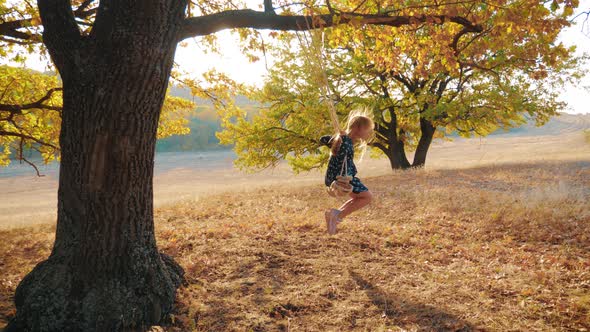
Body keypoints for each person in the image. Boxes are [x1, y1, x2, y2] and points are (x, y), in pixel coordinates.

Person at [319, 108, 375, 234]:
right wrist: (342, 139)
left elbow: (323, 139)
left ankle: (335, 215)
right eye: (367, 130)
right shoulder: (346, 142)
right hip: (343, 177)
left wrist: (337, 137)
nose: (368, 133)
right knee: (367, 197)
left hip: (334, 176)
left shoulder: (344, 140)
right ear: (358, 128)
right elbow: (342, 150)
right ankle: (337, 216)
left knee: (358, 198)